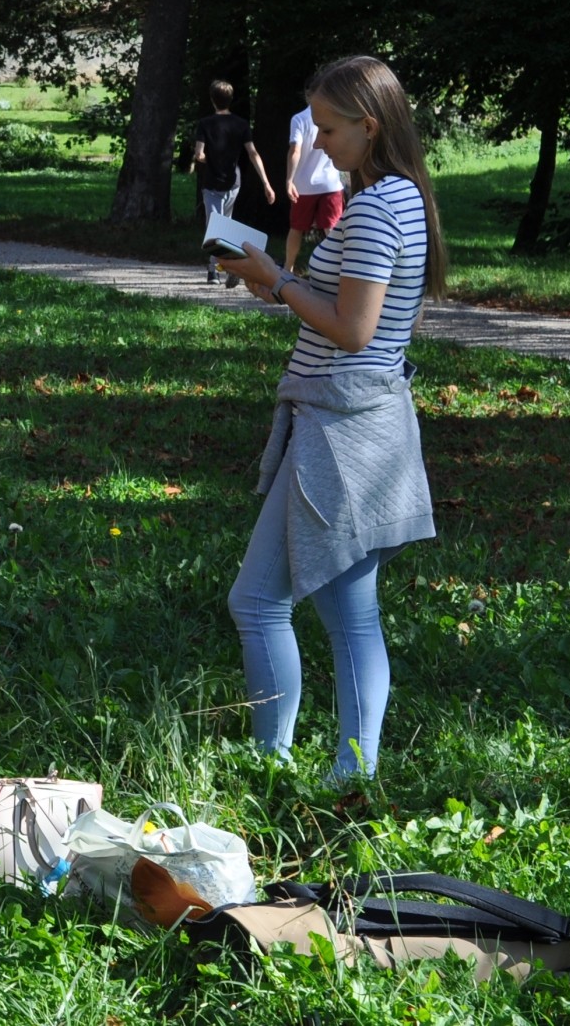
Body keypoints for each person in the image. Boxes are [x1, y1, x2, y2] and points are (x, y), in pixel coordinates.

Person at [216, 54, 442, 782]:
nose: (317, 146)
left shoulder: (376, 208)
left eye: (329, 130)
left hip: (345, 433)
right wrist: (277, 281)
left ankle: (337, 778)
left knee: (303, 611)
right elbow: (342, 314)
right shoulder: (400, 197)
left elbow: (353, 330)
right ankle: (305, 773)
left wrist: (278, 279)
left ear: (369, 126)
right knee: (279, 604)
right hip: (357, 423)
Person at [190, 80, 274, 283]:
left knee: (214, 228)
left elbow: (199, 153)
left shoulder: (205, 124)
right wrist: (266, 183)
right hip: (233, 183)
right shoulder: (241, 124)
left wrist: (203, 158)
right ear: (231, 100)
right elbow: (253, 153)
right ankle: (229, 269)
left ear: (212, 100)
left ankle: (215, 270)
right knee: (223, 227)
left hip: (211, 183)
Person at [283, 80, 345, 272]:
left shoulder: (299, 119)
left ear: (308, 94)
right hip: (331, 184)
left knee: (297, 228)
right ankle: (340, 270)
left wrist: (289, 180)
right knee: (332, 229)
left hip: (303, 185)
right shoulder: (335, 116)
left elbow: (295, 150)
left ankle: (288, 268)